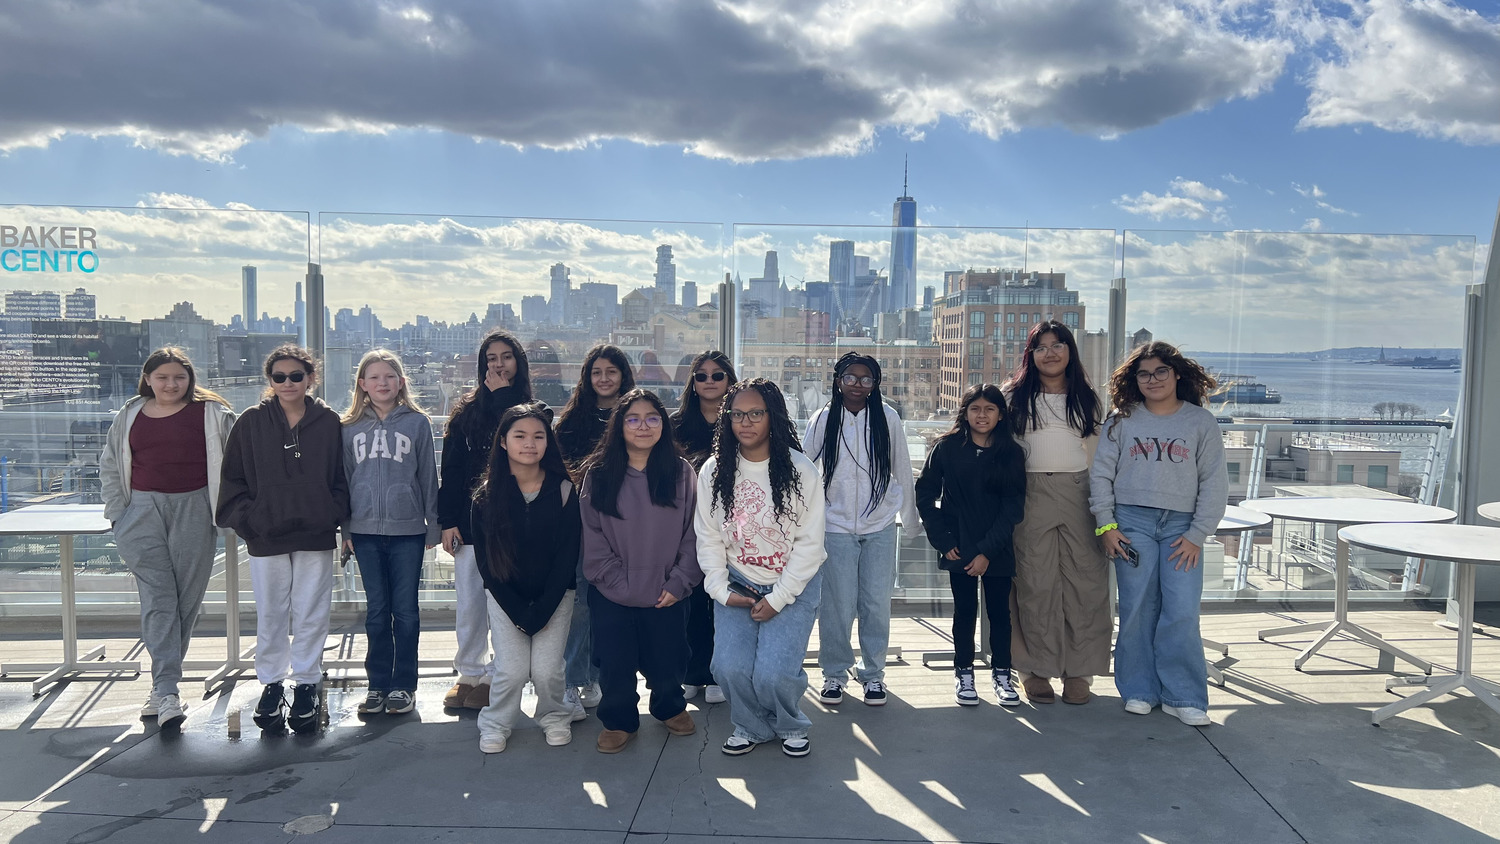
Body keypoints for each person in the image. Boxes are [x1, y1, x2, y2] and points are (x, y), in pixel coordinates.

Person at [1091, 341, 1227, 727]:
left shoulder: (1201, 423)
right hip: (1131, 523)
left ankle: (1183, 695)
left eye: (1160, 372)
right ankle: (1139, 689)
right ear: (1135, 380)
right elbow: (1100, 475)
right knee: (1137, 609)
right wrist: (1106, 524)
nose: (1152, 380)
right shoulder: (1122, 421)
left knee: (1181, 610)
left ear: (1177, 374)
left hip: (1182, 527)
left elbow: (1214, 484)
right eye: (1144, 374)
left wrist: (1198, 533)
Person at [100, 347, 236, 730]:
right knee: (159, 599)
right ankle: (168, 690)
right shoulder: (129, 415)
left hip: (195, 510)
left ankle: (162, 690)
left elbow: (239, 461)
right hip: (140, 512)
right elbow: (110, 464)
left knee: (185, 601)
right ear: (148, 379)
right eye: (162, 377)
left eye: (179, 377)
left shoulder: (212, 415)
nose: (170, 384)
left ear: (190, 380)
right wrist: (118, 515)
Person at [217, 345, 349, 733]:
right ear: (269, 380)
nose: (288, 383)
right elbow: (232, 480)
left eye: (296, 375)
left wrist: (332, 513)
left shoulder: (329, 423)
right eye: (279, 376)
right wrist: (251, 520)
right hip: (266, 535)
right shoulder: (251, 422)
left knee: (312, 611)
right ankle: (271, 684)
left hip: (315, 532)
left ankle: (307, 682)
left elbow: (343, 477)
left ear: (311, 378)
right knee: (272, 613)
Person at [695, 379, 826, 758]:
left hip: (793, 582)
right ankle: (750, 727)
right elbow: (708, 536)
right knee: (729, 668)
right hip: (737, 579)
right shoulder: (714, 471)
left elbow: (810, 545)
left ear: (773, 416)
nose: (745, 422)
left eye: (755, 413)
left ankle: (788, 723)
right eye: (737, 414)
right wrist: (722, 590)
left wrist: (780, 598)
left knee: (773, 673)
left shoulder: (800, 470)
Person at [580, 389, 702, 753]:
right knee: (614, 662)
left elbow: (695, 534)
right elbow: (592, 538)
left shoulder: (681, 473)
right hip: (612, 592)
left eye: (652, 417)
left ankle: (669, 707)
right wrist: (620, 585)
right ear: (619, 426)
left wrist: (679, 582)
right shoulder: (599, 475)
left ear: (663, 424)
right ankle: (619, 720)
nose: (643, 426)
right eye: (633, 418)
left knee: (669, 658)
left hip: (668, 590)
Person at [1003, 321, 1109, 706]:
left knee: (1087, 584)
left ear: (1070, 351)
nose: (1050, 353)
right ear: (1030, 355)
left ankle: (1080, 672)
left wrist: (1106, 510)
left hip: (1080, 493)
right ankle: (1034, 670)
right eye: (1041, 346)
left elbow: (1100, 458)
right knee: (1035, 584)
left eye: (1058, 345)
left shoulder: (1088, 398)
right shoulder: (1013, 397)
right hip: (1029, 494)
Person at [804, 352, 919, 707]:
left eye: (866, 379)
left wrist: (909, 520)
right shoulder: (824, 418)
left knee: (875, 604)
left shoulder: (888, 418)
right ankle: (835, 674)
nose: (858, 385)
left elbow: (902, 468)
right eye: (850, 377)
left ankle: (873, 676)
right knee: (836, 606)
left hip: (881, 526)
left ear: (876, 383)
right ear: (838, 380)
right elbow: (805, 469)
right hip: (835, 528)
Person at [471, 402, 581, 753]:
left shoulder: (564, 491)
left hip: (555, 596)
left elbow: (568, 556)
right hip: (506, 598)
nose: (529, 443)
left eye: (538, 436)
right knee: (513, 669)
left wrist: (545, 608)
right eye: (520, 436)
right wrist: (519, 612)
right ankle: (497, 722)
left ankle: (554, 716)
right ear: (503, 442)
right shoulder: (485, 498)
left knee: (548, 669)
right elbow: (487, 566)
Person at [340, 350, 440, 717]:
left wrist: (434, 523)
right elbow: (344, 480)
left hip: (408, 531)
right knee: (377, 613)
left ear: (401, 382)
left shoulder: (417, 423)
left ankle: (404, 685)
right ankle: (377, 684)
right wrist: (346, 528)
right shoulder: (348, 427)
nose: (382, 383)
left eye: (390, 376)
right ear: (362, 385)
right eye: (374, 377)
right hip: (364, 532)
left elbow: (429, 476)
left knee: (406, 612)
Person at [914, 384, 1026, 707]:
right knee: (964, 612)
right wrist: (943, 540)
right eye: (975, 408)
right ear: (965, 412)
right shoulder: (947, 448)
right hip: (958, 547)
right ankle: (964, 673)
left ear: (1000, 414)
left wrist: (987, 551)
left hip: (997, 549)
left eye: (989, 409)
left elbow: (1013, 508)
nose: (982, 415)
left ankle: (1002, 675)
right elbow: (925, 495)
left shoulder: (1011, 452)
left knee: (1000, 614)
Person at [438, 330, 532, 711]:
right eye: (491, 358)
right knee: (470, 601)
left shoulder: (530, 407)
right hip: (470, 523)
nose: (498, 364)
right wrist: (448, 520)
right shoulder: (464, 414)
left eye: (506, 356)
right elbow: (453, 470)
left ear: (517, 361)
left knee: (506, 602)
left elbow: (518, 440)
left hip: (515, 523)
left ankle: (499, 673)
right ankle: (469, 672)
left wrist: (502, 398)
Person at [555, 343, 636, 716]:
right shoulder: (571, 424)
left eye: (611, 372)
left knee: (617, 605)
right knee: (581, 606)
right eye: (597, 372)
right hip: (581, 526)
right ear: (587, 379)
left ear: (623, 376)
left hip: (628, 525)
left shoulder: (636, 417)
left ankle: (607, 679)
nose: (604, 379)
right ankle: (575, 680)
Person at [669, 350, 738, 705]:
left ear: (731, 381)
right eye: (701, 376)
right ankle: (691, 673)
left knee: (724, 602)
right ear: (691, 384)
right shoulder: (675, 425)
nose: (709, 381)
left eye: (718, 375)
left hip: (737, 530)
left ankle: (718, 673)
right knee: (690, 601)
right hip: (685, 527)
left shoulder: (742, 423)